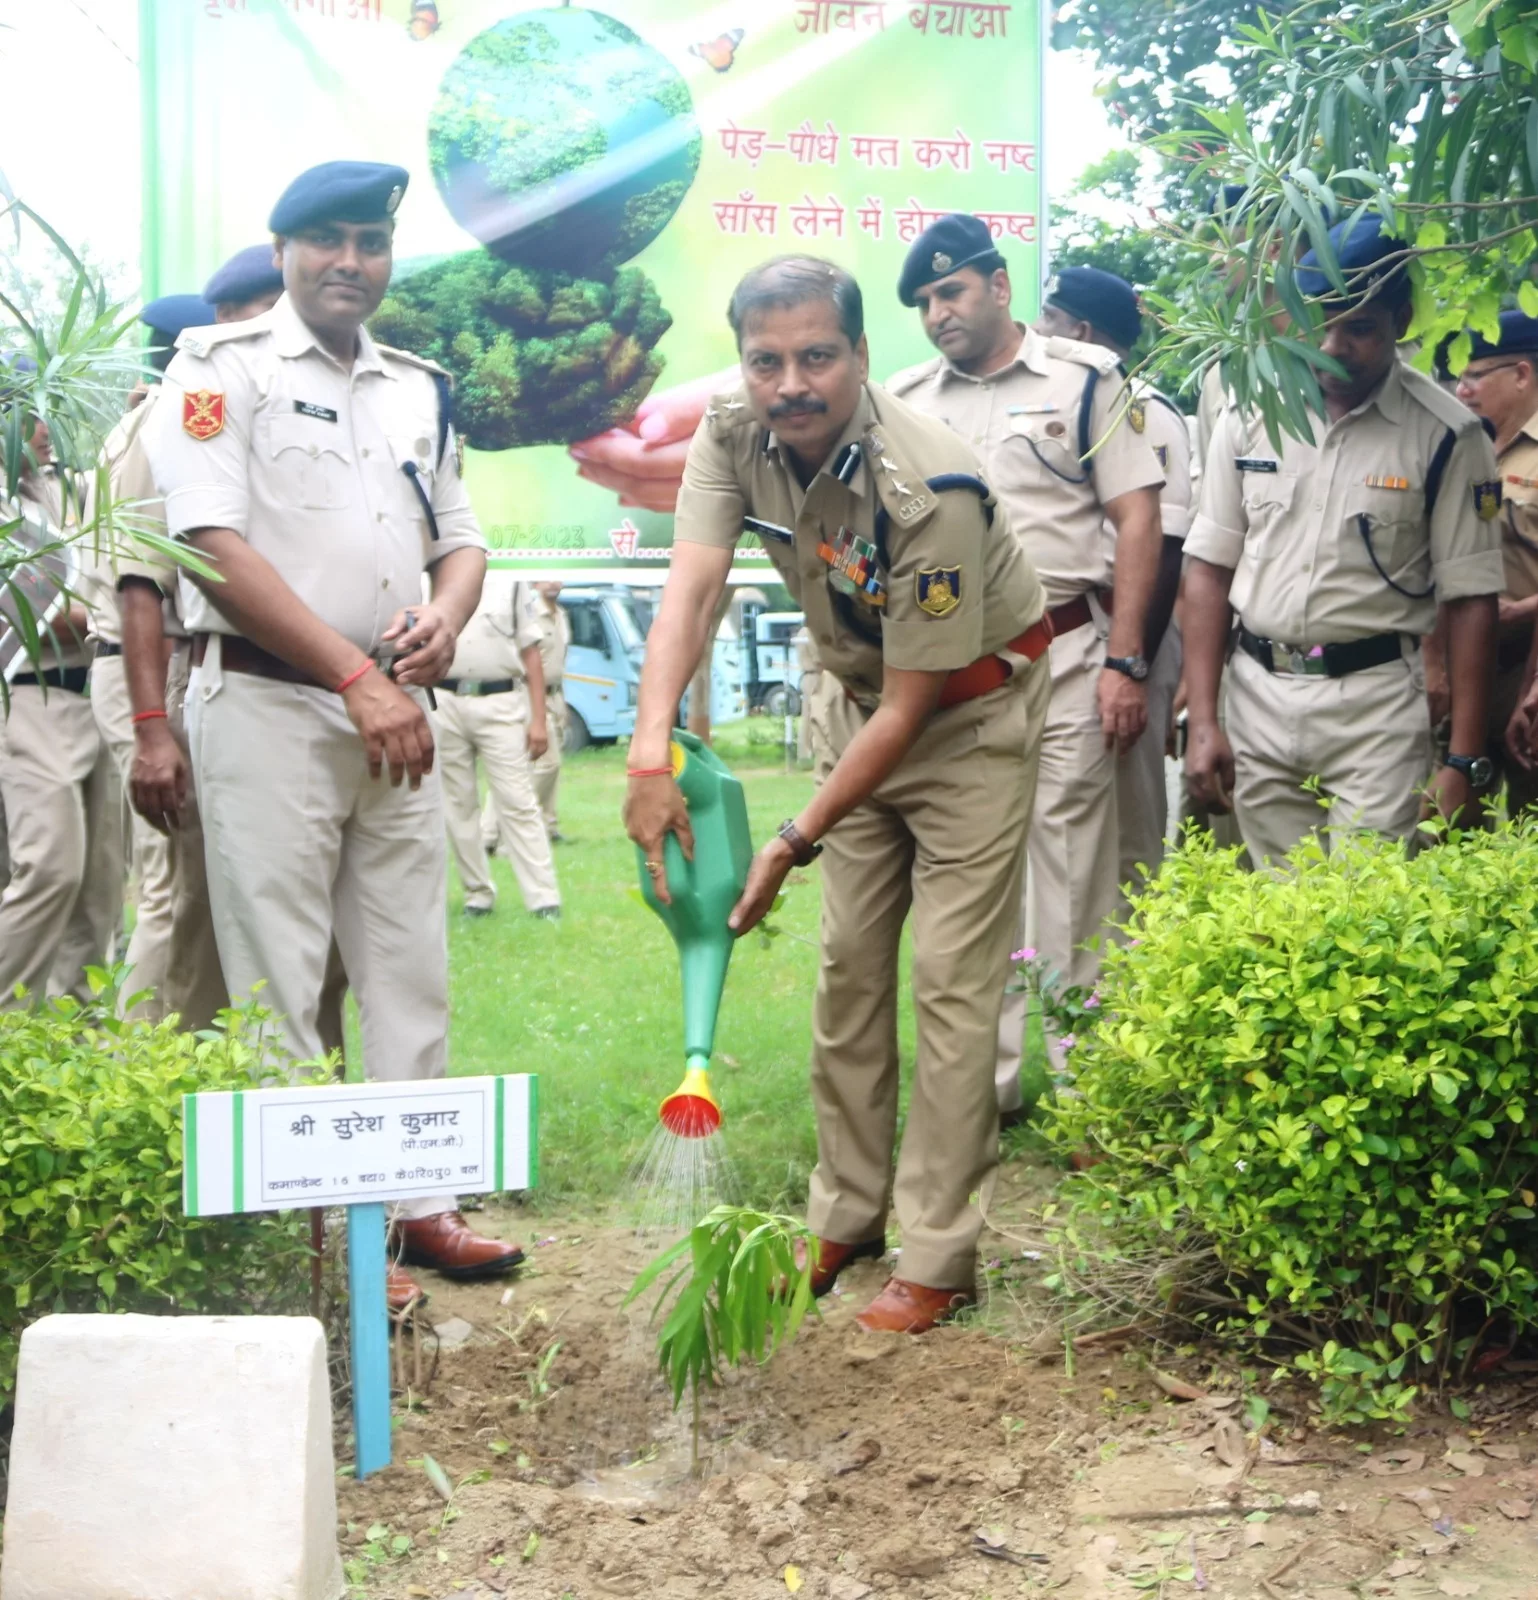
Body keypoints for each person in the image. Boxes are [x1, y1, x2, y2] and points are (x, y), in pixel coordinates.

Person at [625, 255, 1052, 1334]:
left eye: (816, 356)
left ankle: (938, 1252)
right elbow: (691, 590)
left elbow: (914, 708)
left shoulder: (929, 487)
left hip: (968, 719)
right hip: (858, 702)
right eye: (765, 360)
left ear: (861, 355)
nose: (790, 384)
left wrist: (788, 840)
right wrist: (645, 757)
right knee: (848, 973)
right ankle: (845, 1216)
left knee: (951, 989)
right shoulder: (731, 434)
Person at [146, 160, 522, 1308]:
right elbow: (208, 542)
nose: (351, 262)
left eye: (371, 241)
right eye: (327, 241)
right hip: (268, 707)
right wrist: (354, 675)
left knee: (409, 968)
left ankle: (419, 1206)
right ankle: (312, 1237)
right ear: (282, 251)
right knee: (279, 976)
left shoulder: (419, 386)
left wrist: (444, 617)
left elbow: (461, 538)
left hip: (396, 712)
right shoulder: (217, 370)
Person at [886, 216, 1167, 1124]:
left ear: (999, 286)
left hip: (1067, 653)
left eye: (952, 292)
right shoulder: (904, 402)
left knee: (1073, 874)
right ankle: (987, 1087)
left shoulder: (1085, 380)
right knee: (974, 881)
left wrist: (1126, 660)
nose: (939, 313)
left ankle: (1087, 1089)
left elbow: (1138, 519)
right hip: (954, 676)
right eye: (925, 302)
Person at [1184, 215, 1502, 862]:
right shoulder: (1252, 414)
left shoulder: (1448, 435)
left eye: (1359, 328)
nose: (1332, 346)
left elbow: (1472, 599)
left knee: (1366, 904)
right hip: (1258, 695)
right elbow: (1209, 569)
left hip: (1376, 707)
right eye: (1318, 322)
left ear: (1400, 320)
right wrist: (1204, 718)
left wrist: (1463, 759)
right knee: (1276, 907)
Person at [1036, 266, 1193, 898]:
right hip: (1063, 639)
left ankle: (1130, 960)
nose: (1036, 331)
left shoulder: (1142, 410)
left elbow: (1166, 549)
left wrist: (1132, 670)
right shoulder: (1052, 402)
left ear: (1080, 332)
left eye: (1048, 319)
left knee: (1127, 830)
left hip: (1125, 635)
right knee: (1057, 836)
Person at [0, 412, 122, 1006]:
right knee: (50, 867)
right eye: (28, 417)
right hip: (30, 694)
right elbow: (33, 612)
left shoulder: (55, 491)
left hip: (92, 690)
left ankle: (79, 1039)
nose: (45, 429)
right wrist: (120, 617)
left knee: (99, 889)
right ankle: (9, 1022)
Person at [1447, 312, 1538, 817]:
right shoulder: (1462, 447)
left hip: (1528, 665)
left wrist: (1522, 611)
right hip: (1463, 663)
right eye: (1458, 377)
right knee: (1448, 823)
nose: (1461, 390)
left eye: (1475, 376)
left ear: (1522, 374)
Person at [434, 571, 561, 919]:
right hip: (444, 699)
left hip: (500, 699)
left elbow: (531, 652)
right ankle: (477, 894)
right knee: (458, 804)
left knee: (518, 799)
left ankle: (544, 898)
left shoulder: (510, 579)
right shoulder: (430, 577)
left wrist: (538, 720)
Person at [530, 581, 570, 841]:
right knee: (547, 764)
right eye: (546, 575)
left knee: (551, 767)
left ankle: (548, 825)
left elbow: (559, 661)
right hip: (533, 697)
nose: (553, 581)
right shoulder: (528, 614)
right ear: (535, 582)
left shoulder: (561, 615)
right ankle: (507, 827)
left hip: (555, 696)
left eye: (557, 575)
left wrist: (562, 702)